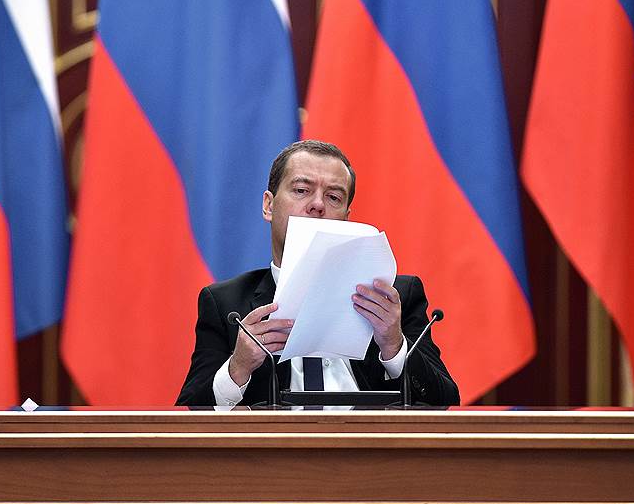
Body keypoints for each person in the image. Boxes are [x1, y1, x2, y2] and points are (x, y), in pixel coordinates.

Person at [176, 140, 459, 406]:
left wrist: (394, 346)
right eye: (302, 190)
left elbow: (445, 402)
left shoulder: (393, 298)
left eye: (333, 197)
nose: (318, 205)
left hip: (368, 441)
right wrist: (237, 367)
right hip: (272, 443)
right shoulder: (226, 303)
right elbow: (188, 414)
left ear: (346, 217)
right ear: (269, 205)